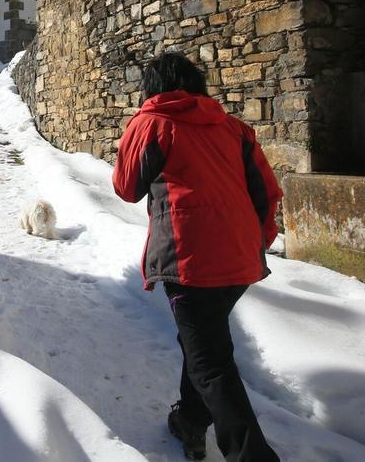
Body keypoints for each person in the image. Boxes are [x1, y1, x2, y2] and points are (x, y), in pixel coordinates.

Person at [112, 52, 282, 462]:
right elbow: (266, 191)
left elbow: (126, 187)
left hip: (189, 260)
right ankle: (189, 421)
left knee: (210, 363)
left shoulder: (151, 123)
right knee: (203, 342)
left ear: (152, 87)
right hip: (239, 258)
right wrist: (253, 240)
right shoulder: (234, 128)